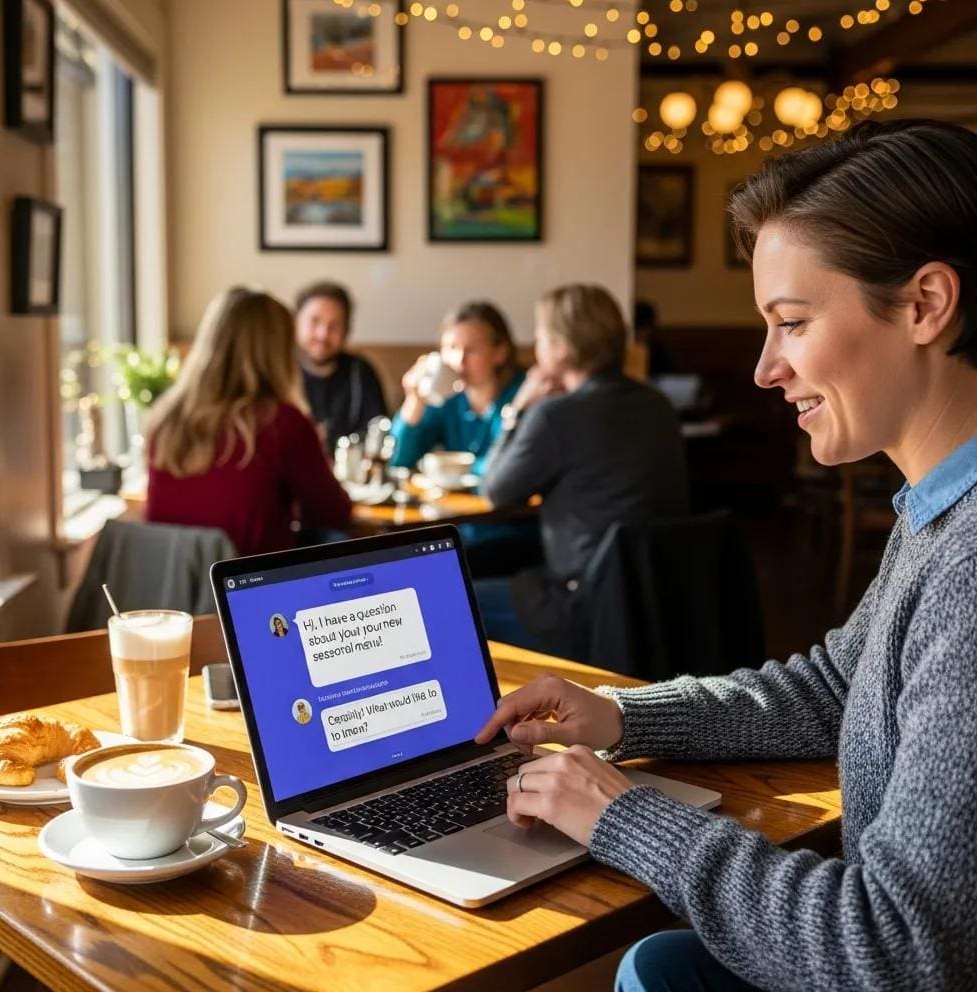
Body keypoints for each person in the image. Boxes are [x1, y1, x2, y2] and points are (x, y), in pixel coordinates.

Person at [475, 120, 977, 991]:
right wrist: (623, 716)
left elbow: (896, 949)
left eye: (791, 322)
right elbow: (834, 687)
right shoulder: (937, 513)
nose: (764, 368)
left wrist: (622, 815)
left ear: (926, 304)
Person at [474, 283, 689, 654]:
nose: (536, 344)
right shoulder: (657, 405)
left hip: (581, 604)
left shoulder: (555, 415)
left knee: (456, 603)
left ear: (561, 347)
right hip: (660, 598)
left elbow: (494, 490)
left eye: (541, 335)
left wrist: (517, 410)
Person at [145, 286, 352, 556]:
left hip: (170, 590)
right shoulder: (282, 423)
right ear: (278, 351)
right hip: (246, 590)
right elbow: (334, 512)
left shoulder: (165, 419)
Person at [389, 300, 525, 475]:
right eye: (452, 348)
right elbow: (399, 460)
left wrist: (457, 470)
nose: (459, 361)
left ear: (500, 352)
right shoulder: (445, 397)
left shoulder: (523, 396)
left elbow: (510, 465)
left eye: (472, 350)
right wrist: (414, 401)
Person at [293, 281, 388, 453]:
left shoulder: (361, 373)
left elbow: (378, 434)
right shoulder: (279, 372)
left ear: (347, 330)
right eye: (314, 321)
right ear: (296, 322)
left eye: (335, 325)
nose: (323, 334)